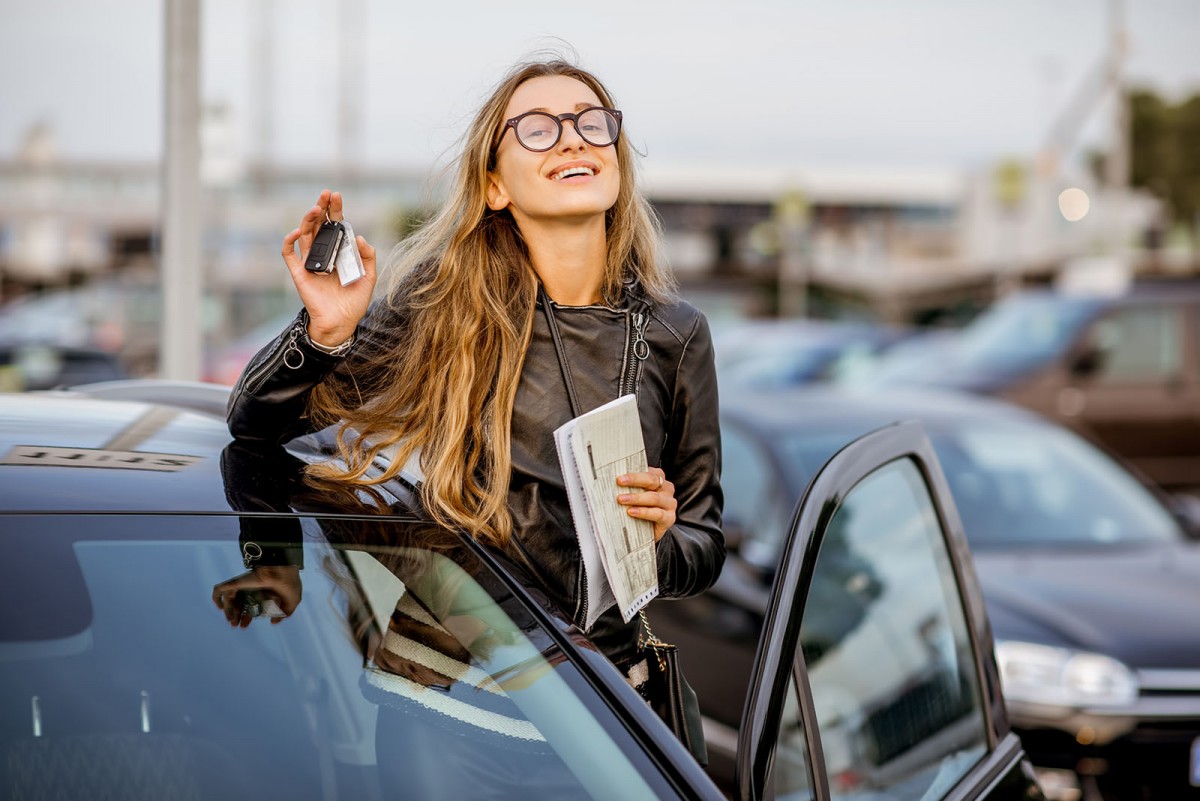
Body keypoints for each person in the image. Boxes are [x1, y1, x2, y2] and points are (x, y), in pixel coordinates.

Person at [226, 58, 724, 691]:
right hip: (441, 696)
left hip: (602, 714)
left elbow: (702, 550)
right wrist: (325, 331)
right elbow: (254, 430)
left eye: (592, 123)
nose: (573, 137)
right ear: (495, 187)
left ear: (616, 161)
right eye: (539, 128)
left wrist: (658, 539)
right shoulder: (441, 308)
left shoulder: (677, 334)